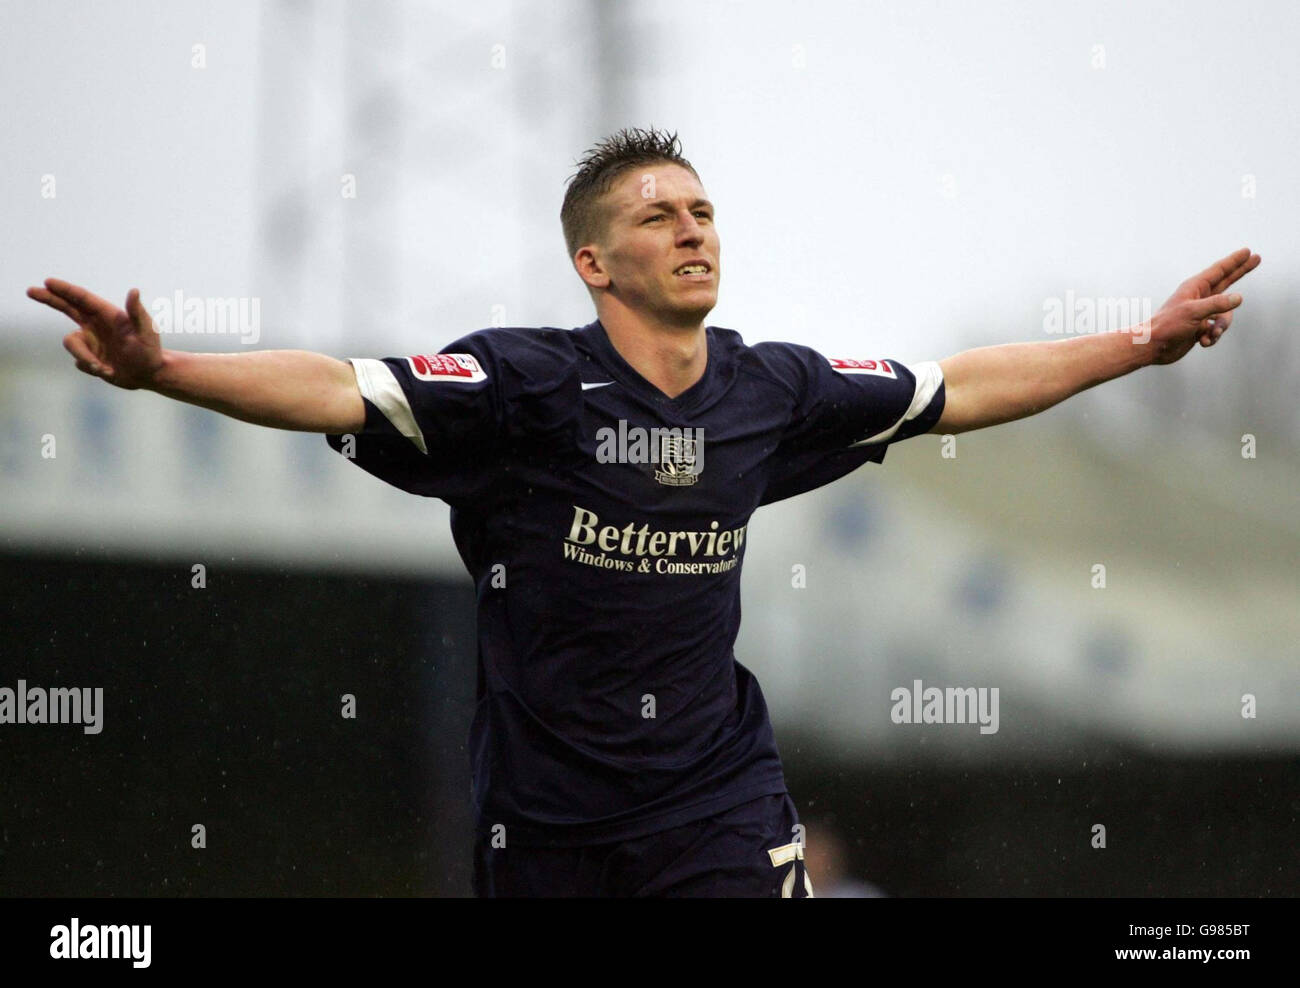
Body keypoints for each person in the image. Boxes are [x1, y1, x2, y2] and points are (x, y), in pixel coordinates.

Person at [28, 127, 1259, 898]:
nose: (692, 230)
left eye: (704, 211)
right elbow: (340, 384)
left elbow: (961, 385)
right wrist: (169, 368)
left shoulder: (773, 388)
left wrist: (1138, 344)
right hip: (545, 819)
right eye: (657, 216)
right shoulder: (519, 387)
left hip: (713, 802)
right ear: (593, 264)